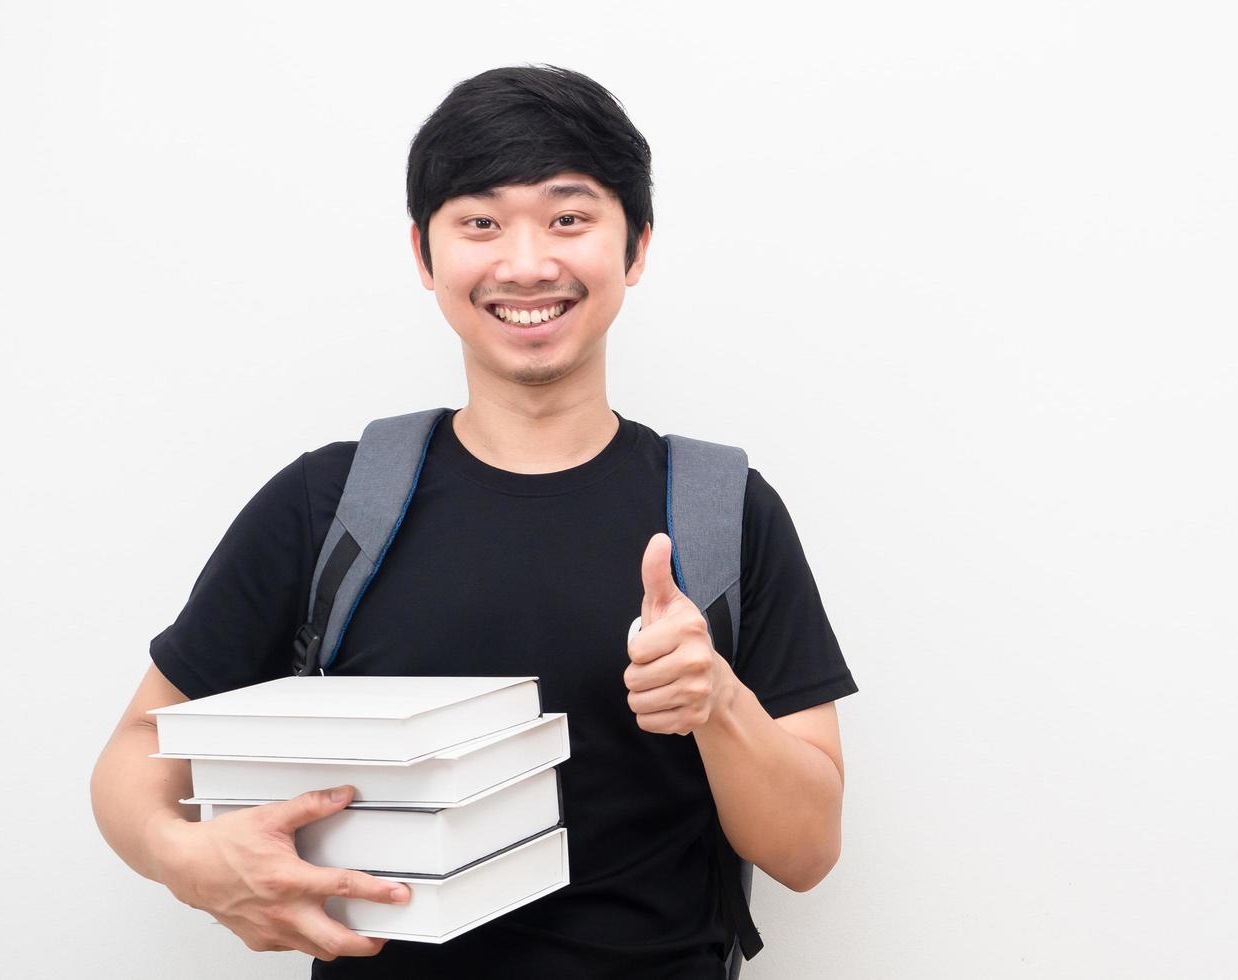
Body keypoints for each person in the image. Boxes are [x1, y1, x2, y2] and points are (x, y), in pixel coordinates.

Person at [89, 64, 856, 978]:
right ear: (424, 253)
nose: (526, 263)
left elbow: (807, 852)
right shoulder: (330, 504)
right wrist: (194, 862)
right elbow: (139, 749)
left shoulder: (725, 510)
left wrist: (717, 702)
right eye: (481, 222)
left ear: (636, 246)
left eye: (569, 218)